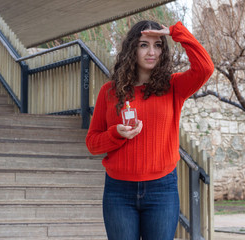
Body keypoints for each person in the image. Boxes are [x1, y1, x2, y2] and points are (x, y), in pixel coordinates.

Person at [85, 20, 214, 240]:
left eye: (158, 45)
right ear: (132, 49)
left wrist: (175, 32)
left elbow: (205, 67)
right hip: (119, 192)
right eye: (144, 45)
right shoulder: (110, 91)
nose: (151, 52)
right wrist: (117, 134)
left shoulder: (174, 87)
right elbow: (93, 143)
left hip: (162, 190)